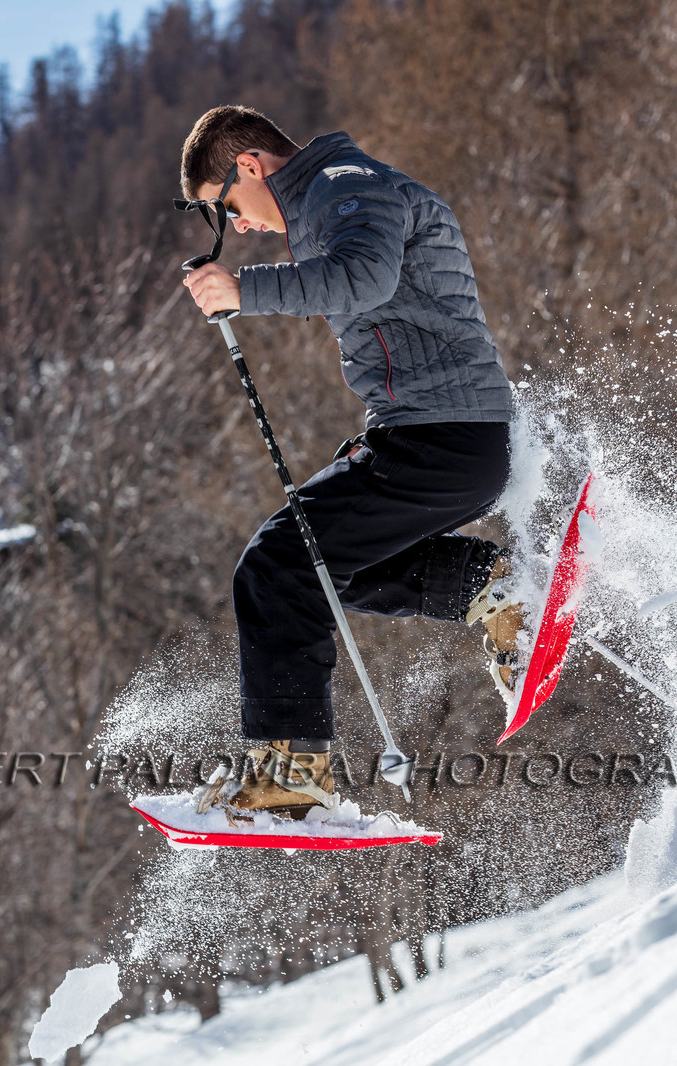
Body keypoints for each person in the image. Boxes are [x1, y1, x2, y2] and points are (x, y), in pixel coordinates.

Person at [178, 105, 524, 820]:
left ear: (250, 167)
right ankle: (490, 589)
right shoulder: (333, 193)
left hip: (443, 435)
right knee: (328, 573)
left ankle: (290, 775)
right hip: (442, 435)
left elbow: (364, 277)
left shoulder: (343, 183)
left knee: (278, 565)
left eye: (227, 210)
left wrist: (247, 293)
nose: (238, 229)